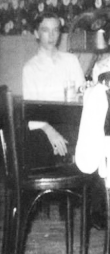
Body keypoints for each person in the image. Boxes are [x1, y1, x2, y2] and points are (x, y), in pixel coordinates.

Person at [23, 12, 85, 167]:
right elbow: (31, 112)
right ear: (36, 33)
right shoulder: (30, 68)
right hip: (44, 126)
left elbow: (83, 95)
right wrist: (50, 131)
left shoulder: (71, 61)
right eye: (45, 30)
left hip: (71, 121)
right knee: (39, 143)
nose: (51, 36)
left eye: (55, 30)